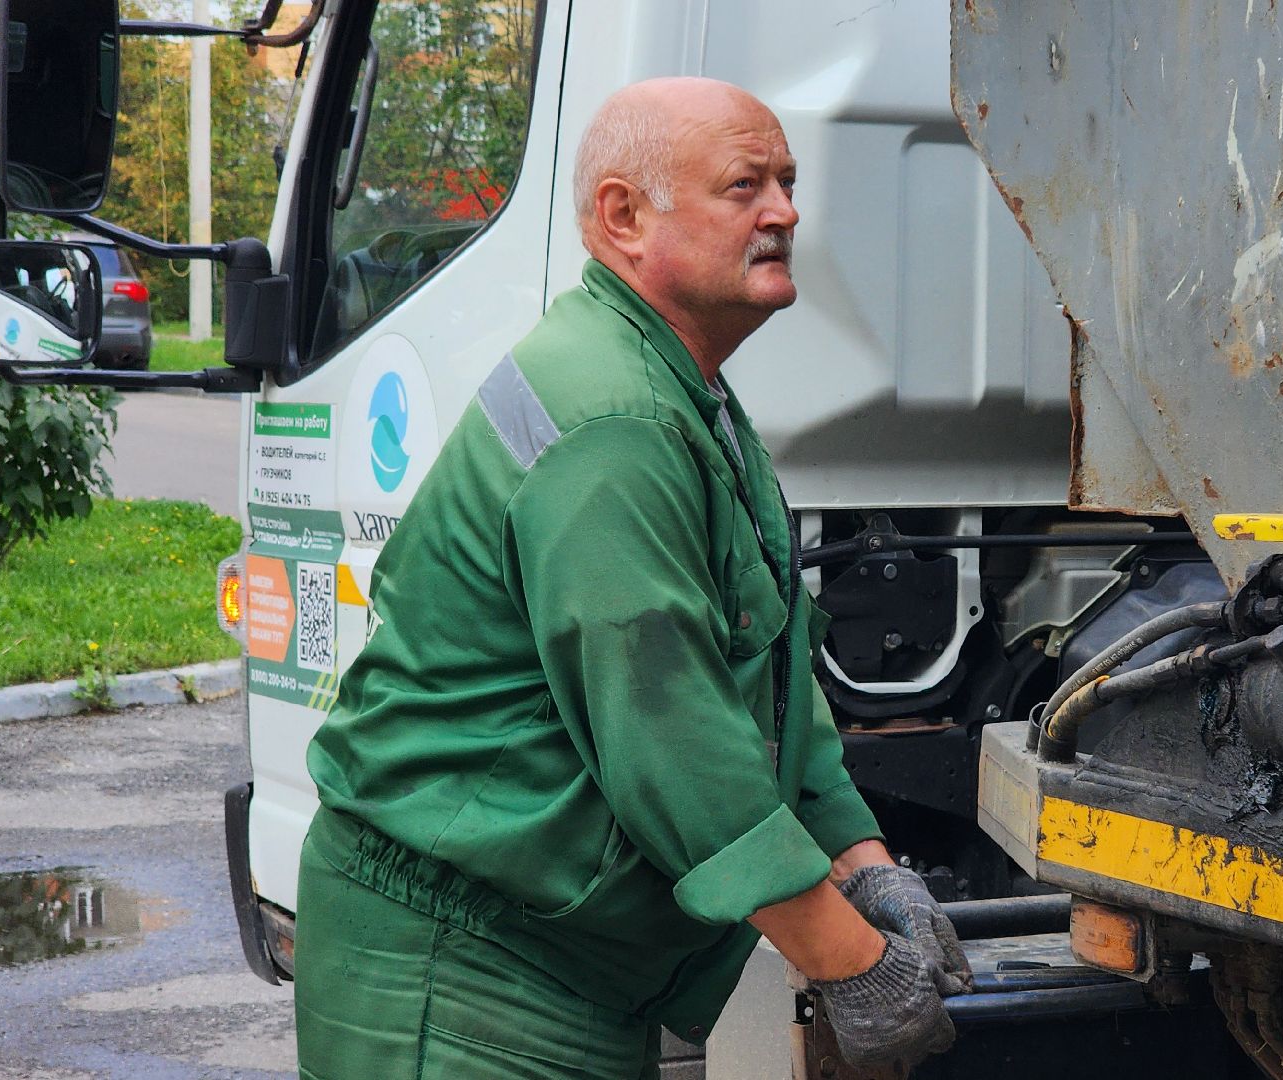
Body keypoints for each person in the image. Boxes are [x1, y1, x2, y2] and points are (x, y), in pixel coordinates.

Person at [295, 77, 970, 1079]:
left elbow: (762, 680)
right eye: (745, 186)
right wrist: (851, 960)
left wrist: (865, 864)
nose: (784, 211)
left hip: (540, 964)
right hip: (463, 970)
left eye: (786, 182)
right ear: (622, 216)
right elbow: (673, 734)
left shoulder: (672, 390)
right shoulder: (617, 418)